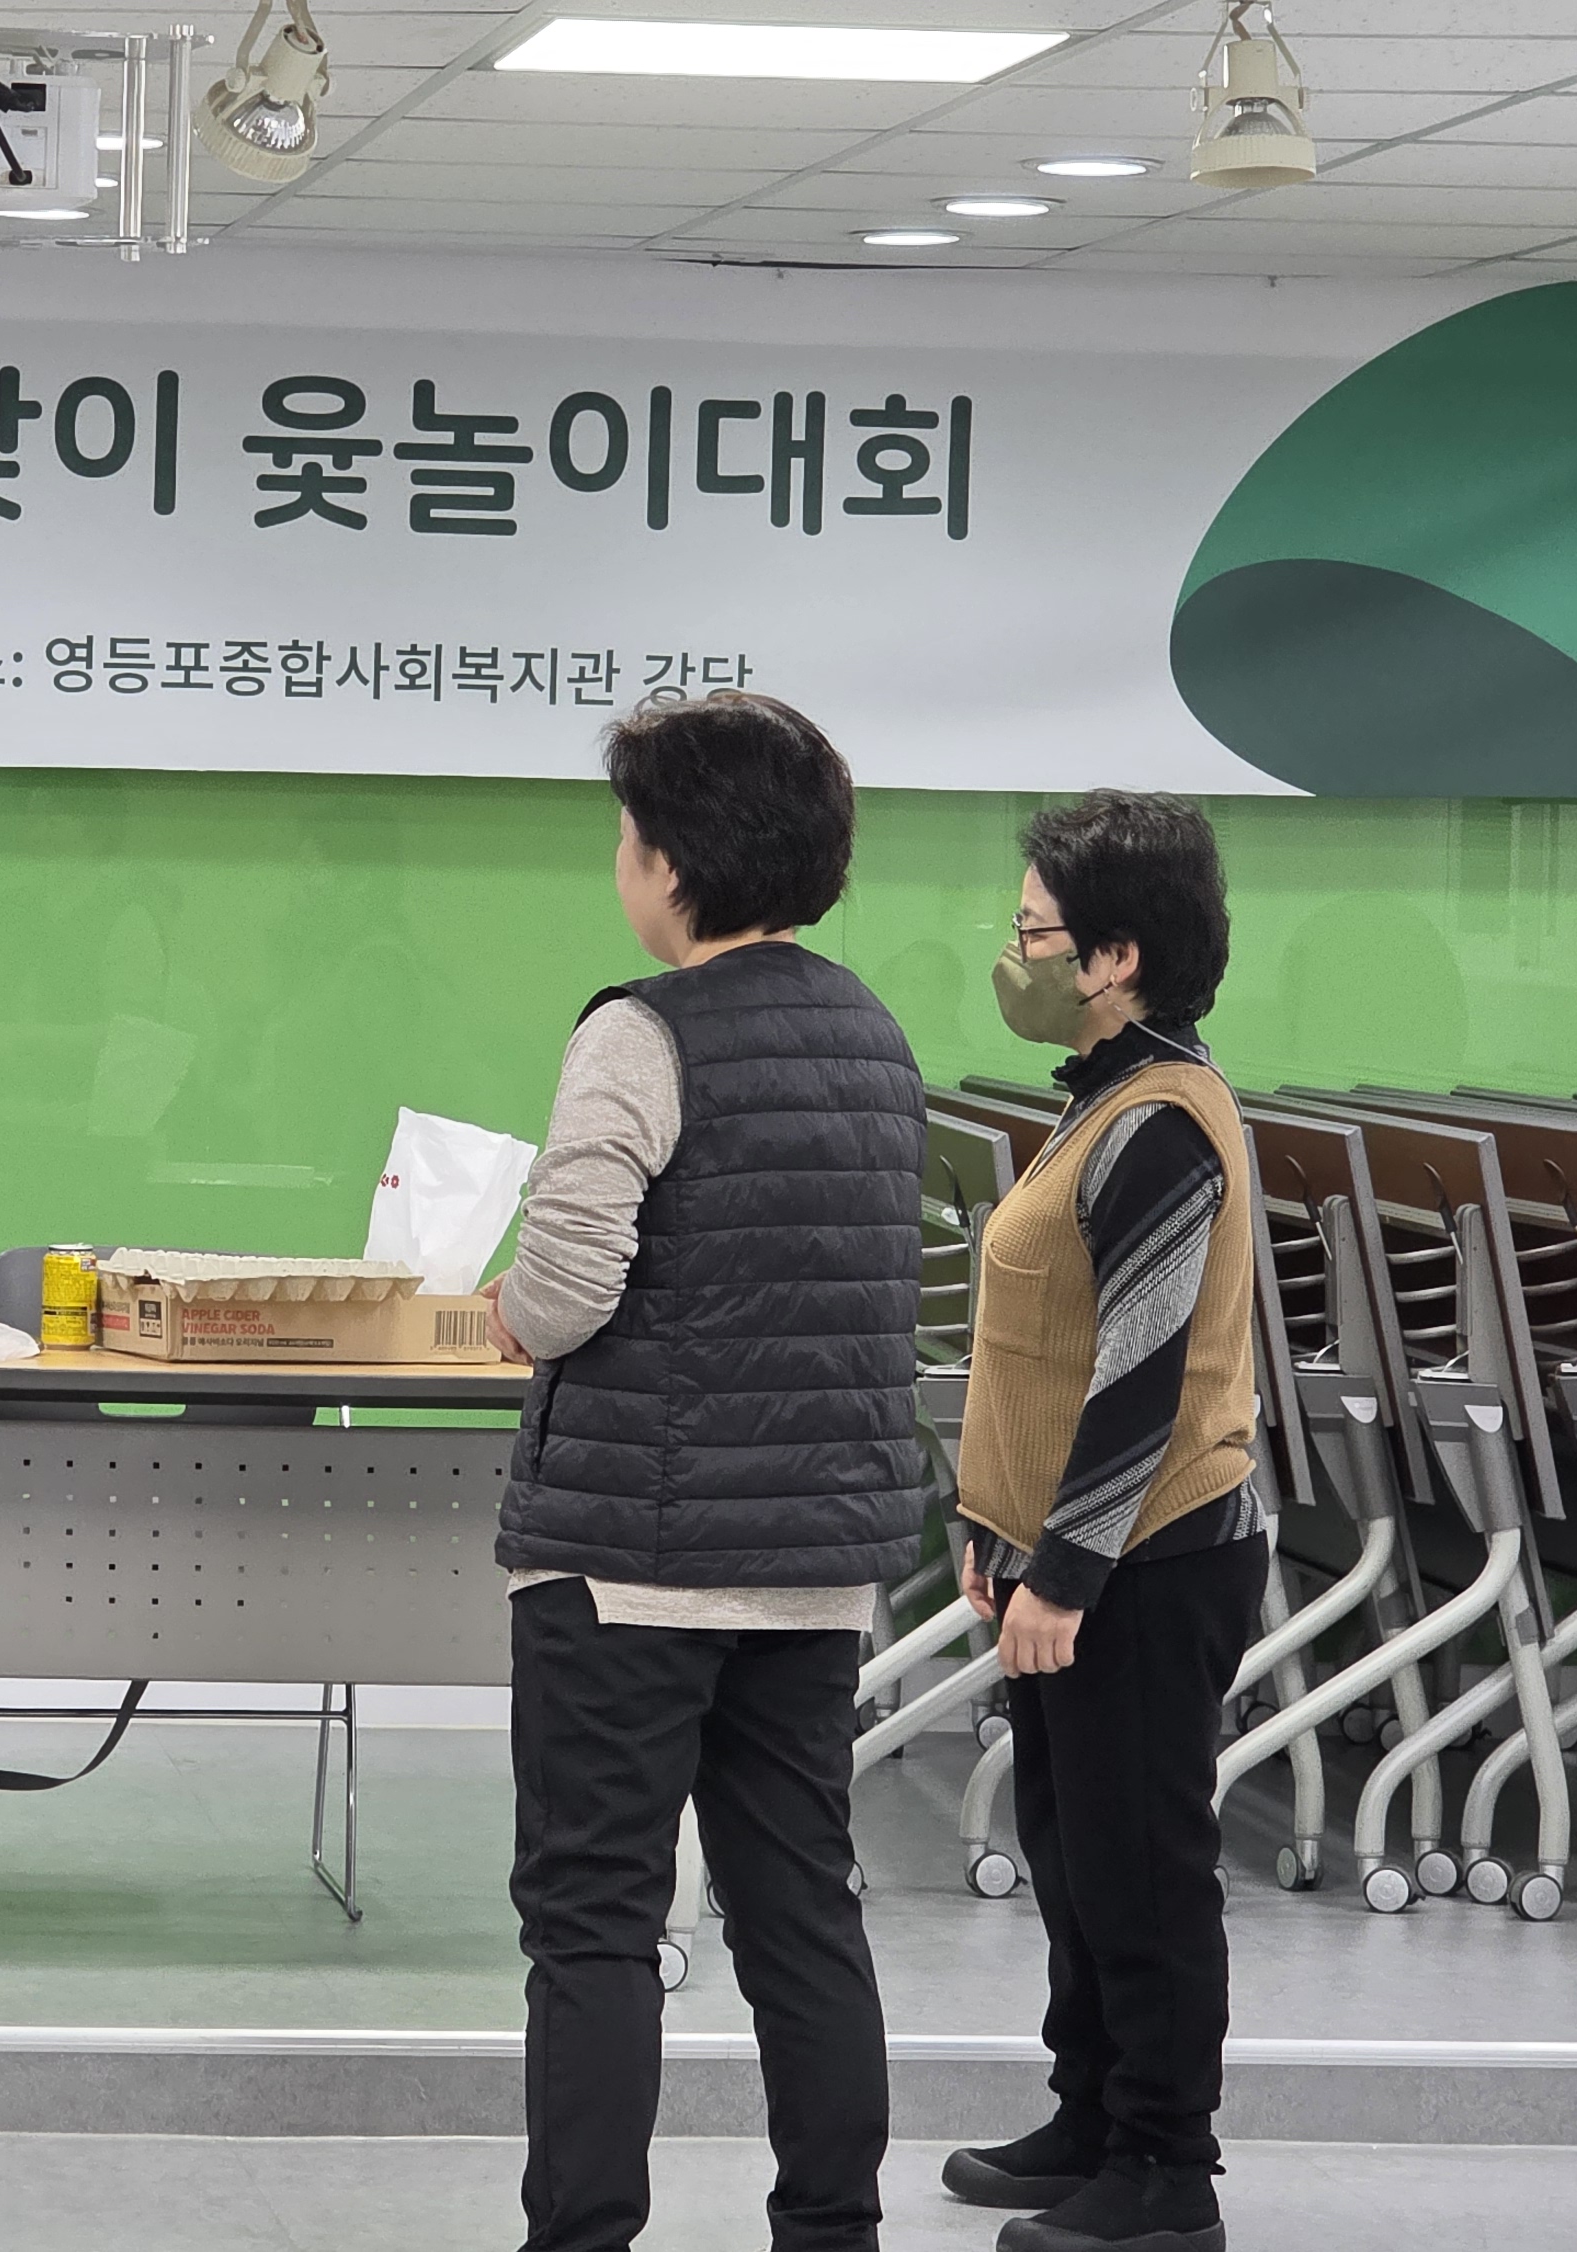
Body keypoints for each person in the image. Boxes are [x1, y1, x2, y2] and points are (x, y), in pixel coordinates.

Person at [486, 693, 921, 2252]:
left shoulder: (640, 1032)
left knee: (595, 1922)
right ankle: (832, 2227)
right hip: (812, 1568)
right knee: (801, 1908)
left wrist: (507, 1311)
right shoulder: (875, 1037)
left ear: (672, 861)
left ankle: (584, 2235)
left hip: (628, 1569)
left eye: (628, 836)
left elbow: (566, 1289)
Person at [941, 790, 1268, 2252]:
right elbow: (1041, 1347)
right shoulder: (1101, 1097)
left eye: (1034, 933)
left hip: (1149, 1559)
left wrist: (1063, 1572)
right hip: (1074, 1551)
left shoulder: (1162, 1123)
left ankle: (1165, 2171)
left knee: (1141, 1871)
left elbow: (1140, 1373)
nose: (1013, 956)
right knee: (1074, 1860)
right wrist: (995, 1528)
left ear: (1116, 955)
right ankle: (1092, 2116)